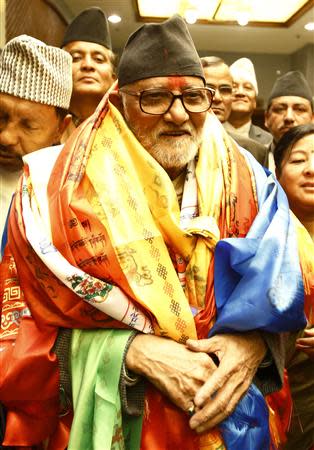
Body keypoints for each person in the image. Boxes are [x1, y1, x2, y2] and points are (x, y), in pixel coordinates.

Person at [0, 16, 310, 450]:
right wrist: (129, 351)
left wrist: (256, 346)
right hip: (119, 426)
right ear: (119, 102)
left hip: (231, 424)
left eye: (193, 97)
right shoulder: (51, 190)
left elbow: (293, 288)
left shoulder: (252, 180)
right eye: (155, 97)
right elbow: (17, 324)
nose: (179, 114)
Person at [0, 34, 72, 244]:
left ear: (61, 128)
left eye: (28, 125)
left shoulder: (70, 197)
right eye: (0, 117)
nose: (6, 137)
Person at [273, 124, 314, 450]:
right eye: (298, 160)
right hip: (284, 391)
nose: (311, 169)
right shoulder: (261, 234)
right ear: (277, 171)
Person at [201, 56, 268, 166]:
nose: (217, 97)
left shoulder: (255, 151)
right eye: (209, 89)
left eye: (225, 90)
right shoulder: (175, 143)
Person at [61, 6, 116, 139]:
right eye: (76, 58)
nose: (87, 65)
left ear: (113, 79)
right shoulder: (44, 128)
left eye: (98, 59)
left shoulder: (128, 131)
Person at [265, 71, 314, 172]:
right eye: (279, 109)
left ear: (312, 118)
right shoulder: (251, 159)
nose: (289, 117)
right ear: (267, 118)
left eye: (300, 109)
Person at [225, 57, 272, 146]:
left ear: (254, 102)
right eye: (234, 86)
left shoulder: (268, 141)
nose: (240, 92)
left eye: (248, 87)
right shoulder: (207, 133)